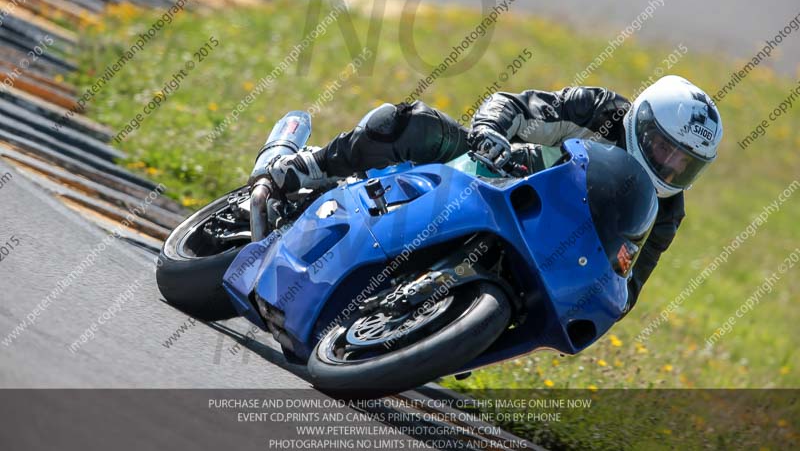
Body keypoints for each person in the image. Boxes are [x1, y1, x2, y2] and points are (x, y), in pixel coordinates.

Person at [249, 75, 723, 313]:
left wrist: (600, 301)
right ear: (641, 121)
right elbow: (518, 106)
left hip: (546, 252)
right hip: (494, 177)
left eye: (686, 163)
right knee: (408, 123)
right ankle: (304, 168)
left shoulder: (667, 211)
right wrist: (490, 132)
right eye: (664, 147)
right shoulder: (600, 110)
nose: (670, 165)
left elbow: (629, 285)